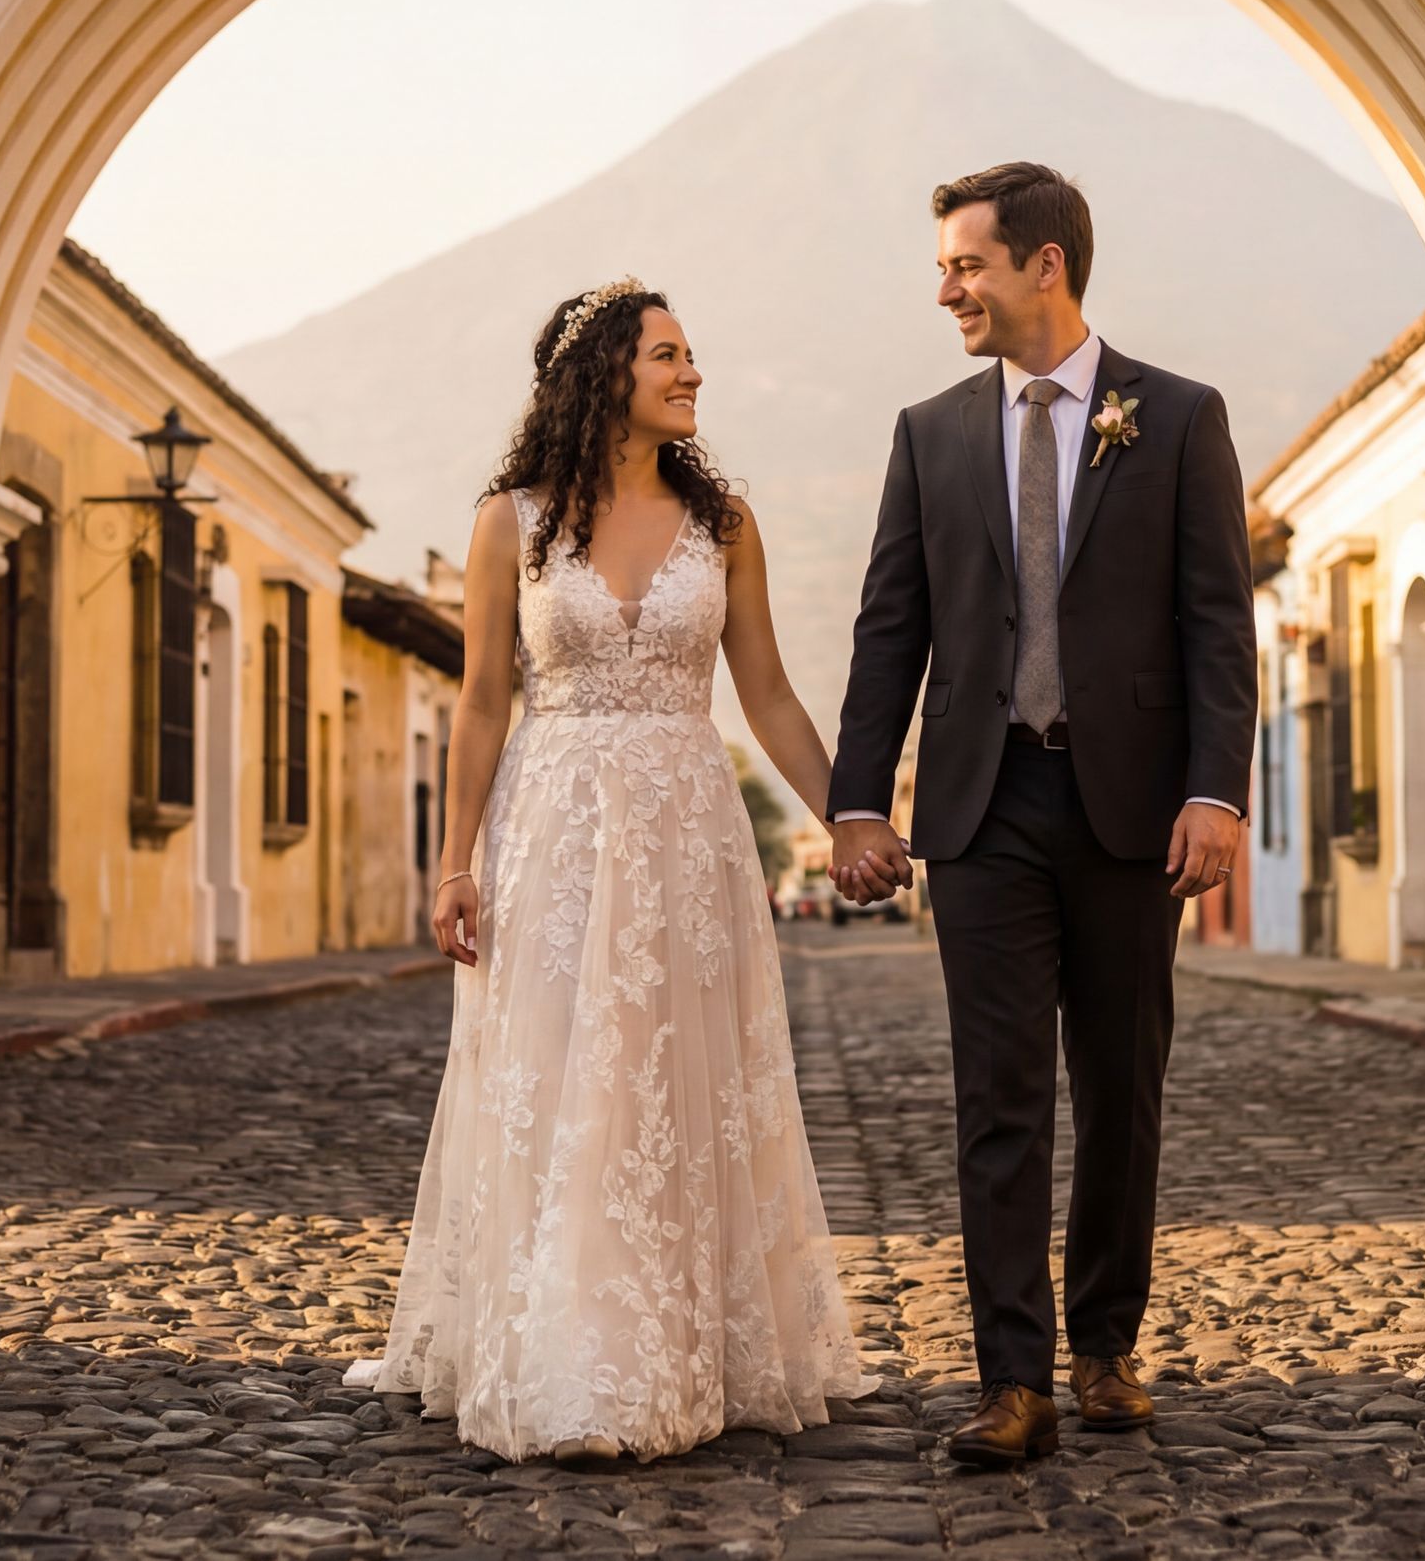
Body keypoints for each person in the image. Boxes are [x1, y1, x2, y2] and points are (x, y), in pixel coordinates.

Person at [353, 278, 874, 1466]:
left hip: (688, 834)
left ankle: (690, 1341)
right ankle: (570, 1343)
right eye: (669, 355)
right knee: (559, 1072)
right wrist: (454, 868)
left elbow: (772, 695)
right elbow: (484, 702)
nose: (694, 374)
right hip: (554, 826)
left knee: (671, 1078)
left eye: (693, 356)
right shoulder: (511, 521)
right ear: (603, 377)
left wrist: (847, 817)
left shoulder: (725, 524)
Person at [827, 162, 1257, 1468]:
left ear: (1044, 266)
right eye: (947, 266)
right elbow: (890, 623)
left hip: (1132, 812)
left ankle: (1105, 1346)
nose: (946, 288)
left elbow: (1215, 621)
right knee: (998, 1095)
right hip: (983, 804)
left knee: (1121, 1085)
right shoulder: (931, 432)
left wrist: (1215, 788)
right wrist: (857, 798)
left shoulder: (1176, 418)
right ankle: (1013, 1377)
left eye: (965, 264)